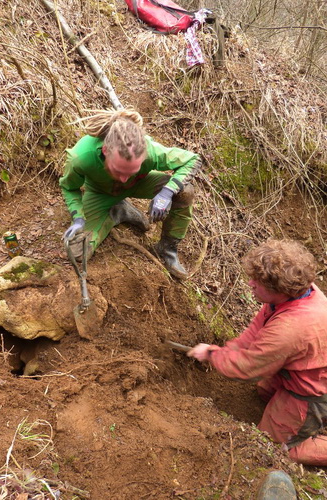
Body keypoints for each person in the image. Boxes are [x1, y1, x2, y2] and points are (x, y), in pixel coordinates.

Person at [188, 239, 327, 466]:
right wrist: (229, 349)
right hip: (299, 365)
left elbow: (249, 368)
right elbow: (257, 330)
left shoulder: (291, 328)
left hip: (313, 390)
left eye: (258, 282)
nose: (250, 283)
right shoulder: (293, 293)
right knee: (264, 391)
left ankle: (305, 435)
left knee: (276, 447)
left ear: (279, 290)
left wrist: (213, 355)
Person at [59, 108, 202, 279]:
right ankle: (117, 212)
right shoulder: (81, 157)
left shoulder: (149, 150)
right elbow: (69, 188)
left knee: (184, 192)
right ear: (106, 151)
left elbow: (192, 159)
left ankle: (167, 247)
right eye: (119, 170)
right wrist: (78, 217)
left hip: (140, 184)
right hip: (101, 193)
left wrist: (167, 192)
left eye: (132, 170)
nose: (124, 178)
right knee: (78, 252)